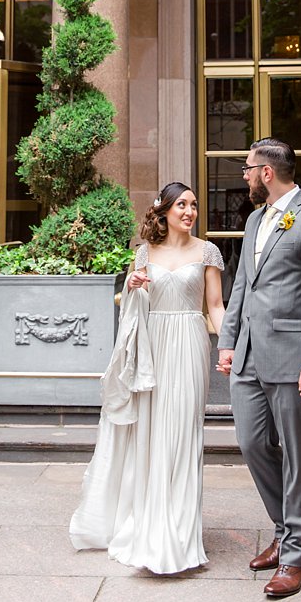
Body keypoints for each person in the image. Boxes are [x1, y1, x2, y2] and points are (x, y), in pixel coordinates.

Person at [69, 181, 226, 574]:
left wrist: (230, 345)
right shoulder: (145, 252)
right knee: (151, 437)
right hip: (151, 351)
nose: (190, 212)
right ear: (164, 211)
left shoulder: (208, 251)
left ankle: (181, 536)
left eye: (194, 205)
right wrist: (133, 286)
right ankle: (149, 528)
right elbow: (132, 304)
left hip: (189, 344)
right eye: (182, 205)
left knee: (183, 435)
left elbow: (215, 307)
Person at [217, 137, 301, 599]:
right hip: (248, 357)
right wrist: (229, 341)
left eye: (249, 169)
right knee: (252, 443)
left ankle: (294, 554)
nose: (245, 176)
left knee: (297, 451)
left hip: (294, 359)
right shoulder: (254, 219)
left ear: (267, 173)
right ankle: (282, 528)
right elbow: (242, 287)